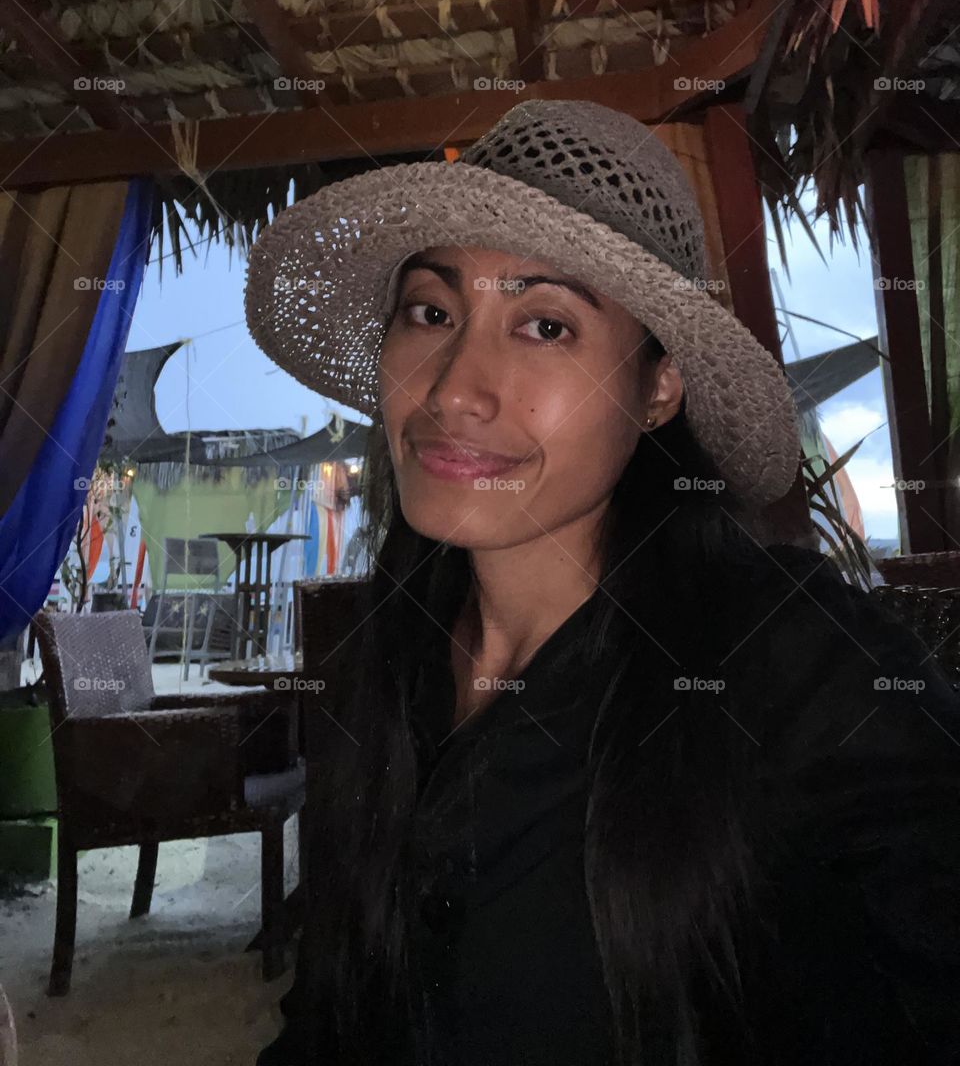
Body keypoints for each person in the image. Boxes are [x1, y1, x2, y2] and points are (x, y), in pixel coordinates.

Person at [245, 100, 960, 1065]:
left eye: (545, 324)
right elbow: (331, 1014)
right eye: (431, 311)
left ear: (658, 388)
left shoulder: (787, 662)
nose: (456, 387)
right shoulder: (387, 655)